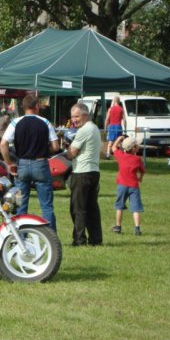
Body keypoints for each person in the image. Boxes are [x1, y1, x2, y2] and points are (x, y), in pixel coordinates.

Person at [0, 93, 59, 231]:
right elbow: (55, 146)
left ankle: (21, 236)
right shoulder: (45, 122)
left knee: (21, 204)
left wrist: (9, 163)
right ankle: (51, 236)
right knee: (46, 206)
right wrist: (46, 150)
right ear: (37, 106)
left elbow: (3, 144)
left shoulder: (15, 122)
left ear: (24, 106)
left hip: (22, 165)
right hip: (40, 164)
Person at [66, 103, 103, 246]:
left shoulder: (83, 130)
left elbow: (71, 153)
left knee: (78, 208)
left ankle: (79, 240)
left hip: (81, 172)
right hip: (94, 171)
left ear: (85, 115)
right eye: (72, 117)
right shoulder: (94, 128)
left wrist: (68, 151)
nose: (74, 120)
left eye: (76, 116)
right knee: (92, 207)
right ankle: (96, 239)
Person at [111, 135, 145, 236]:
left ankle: (118, 227)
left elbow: (113, 147)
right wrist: (140, 178)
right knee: (136, 208)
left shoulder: (121, 155)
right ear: (134, 148)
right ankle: (137, 229)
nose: (138, 146)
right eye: (136, 145)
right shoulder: (137, 159)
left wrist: (119, 139)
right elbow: (142, 171)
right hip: (134, 186)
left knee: (119, 206)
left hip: (122, 185)